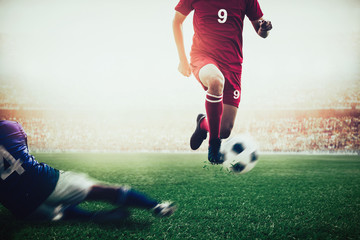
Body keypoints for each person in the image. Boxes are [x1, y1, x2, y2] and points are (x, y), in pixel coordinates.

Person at [0, 120, 176, 222]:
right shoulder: (9, 126)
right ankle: (155, 206)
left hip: (22, 208)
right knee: (99, 191)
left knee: (58, 213)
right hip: (45, 182)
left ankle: (89, 216)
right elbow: (25, 152)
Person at [173, 0, 272, 163]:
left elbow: (260, 30)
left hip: (232, 65)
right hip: (203, 56)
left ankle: (203, 124)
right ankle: (214, 145)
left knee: (224, 129)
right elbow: (177, 21)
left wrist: (264, 29)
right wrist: (183, 59)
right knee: (215, 80)